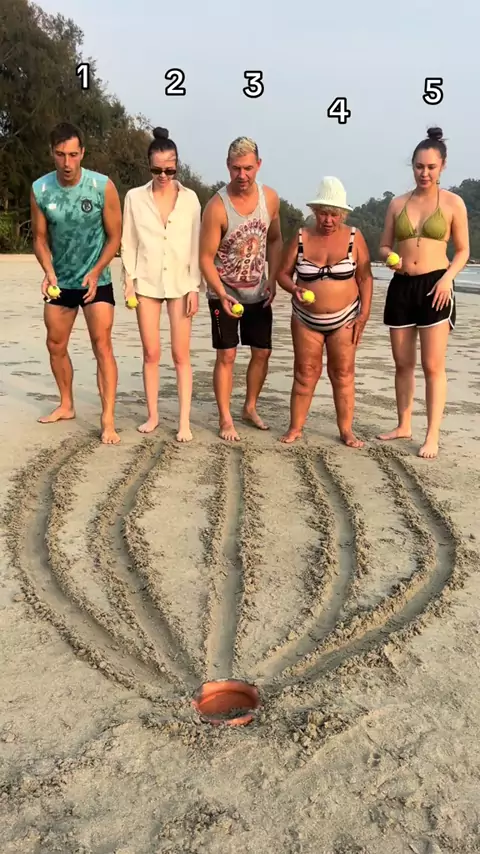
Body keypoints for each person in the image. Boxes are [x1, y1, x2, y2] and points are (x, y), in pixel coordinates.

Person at [378, 127, 469, 459]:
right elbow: (384, 245)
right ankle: (403, 425)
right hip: (402, 286)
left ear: (442, 165)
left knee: (432, 365)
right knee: (403, 363)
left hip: (436, 286)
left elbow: (463, 251)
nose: (424, 173)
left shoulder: (453, 203)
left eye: (431, 167)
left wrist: (447, 280)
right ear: (412, 166)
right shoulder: (397, 203)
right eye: (419, 166)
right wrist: (390, 257)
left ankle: (432, 435)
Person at [31, 122, 122, 444]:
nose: (67, 163)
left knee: (102, 346)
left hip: (96, 280)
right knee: (55, 345)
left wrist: (96, 271)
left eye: (72, 154)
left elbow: (115, 237)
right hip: (60, 281)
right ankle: (66, 404)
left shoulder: (101, 186)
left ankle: (107, 419)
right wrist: (48, 270)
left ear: (82, 152)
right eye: (60, 155)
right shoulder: (40, 189)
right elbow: (39, 238)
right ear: (52, 154)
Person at [277, 176, 373, 448]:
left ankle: (346, 431)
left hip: (345, 317)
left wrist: (364, 315)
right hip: (305, 319)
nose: (328, 220)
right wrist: (294, 289)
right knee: (305, 372)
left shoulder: (354, 237)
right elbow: (282, 274)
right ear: (314, 211)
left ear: (342, 214)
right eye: (323, 213)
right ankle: (295, 427)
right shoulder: (301, 236)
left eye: (334, 214)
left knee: (342, 373)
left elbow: (365, 278)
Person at [199, 136, 283, 441]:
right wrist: (220, 294)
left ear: (258, 165)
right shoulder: (216, 207)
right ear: (227, 166)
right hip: (224, 292)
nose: (242, 175)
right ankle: (225, 418)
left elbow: (275, 239)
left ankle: (250, 407)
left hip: (258, 290)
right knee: (227, 356)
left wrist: (273, 278)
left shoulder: (269, 199)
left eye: (248, 168)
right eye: (236, 168)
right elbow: (205, 258)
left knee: (262, 352)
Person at [121, 127, 201, 441]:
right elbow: (128, 242)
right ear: (149, 166)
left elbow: (196, 245)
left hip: (181, 282)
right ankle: (153, 415)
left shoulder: (191, 200)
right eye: (157, 170)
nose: (164, 176)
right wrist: (128, 281)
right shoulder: (134, 198)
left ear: (177, 166)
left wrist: (194, 287)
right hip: (146, 281)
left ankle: (184, 422)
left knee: (181, 354)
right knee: (151, 353)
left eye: (170, 170)